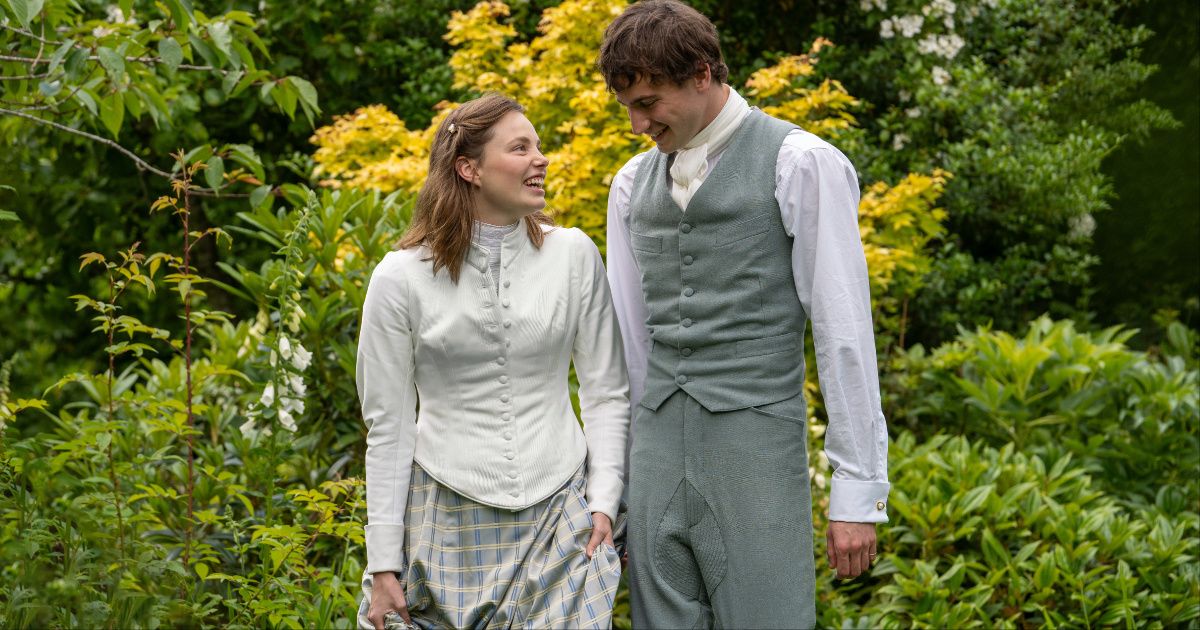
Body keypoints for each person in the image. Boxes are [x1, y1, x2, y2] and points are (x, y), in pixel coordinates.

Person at [597, 1, 891, 627]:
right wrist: (614, 494)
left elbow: (843, 332)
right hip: (654, 459)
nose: (636, 124)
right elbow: (629, 349)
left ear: (701, 73)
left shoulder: (801, 162)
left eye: (648, 103)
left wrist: (857, 492)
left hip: (755, 453)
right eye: (627, 106)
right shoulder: (628, 185)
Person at [355, 93, 629, 630]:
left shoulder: (574, 254)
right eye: (520, 147)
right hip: (443, 518)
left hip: (563, 514)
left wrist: (604, 500)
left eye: (539, 146)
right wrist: (383, 562)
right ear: (469, 168)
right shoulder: (399, 277)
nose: (540, 159)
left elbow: (606, 391)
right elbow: (387, 428)